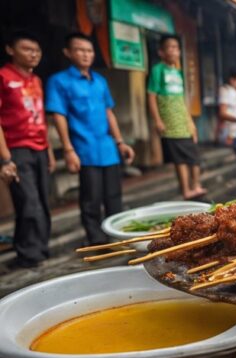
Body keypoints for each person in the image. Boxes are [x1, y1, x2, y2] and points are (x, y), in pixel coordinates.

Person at [47, 33, 135, 245]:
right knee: (91, 200)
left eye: (89, 50)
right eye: (80, 50)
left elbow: (108, 113)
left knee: (114, 198)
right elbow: (58, 116)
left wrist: (120, 142)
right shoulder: (59, 81)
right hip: (83, 150)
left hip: (108, 148)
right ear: (68, 53)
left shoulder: (100, 81)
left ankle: (117, 239)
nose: (86, 55)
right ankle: (96, 241)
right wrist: (68, 150)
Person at [0, 31, 54, 268]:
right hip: (16, 149)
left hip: (40, 148)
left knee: (41, 201)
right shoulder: (3, 76)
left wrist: (49, 151)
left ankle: (36, 249)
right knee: (29, 202)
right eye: (27, 49)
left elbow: (41, 118)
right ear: (10, 50)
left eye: (37, 50)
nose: (34, 54)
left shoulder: (36, 80)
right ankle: (31, 255)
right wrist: (5, 160)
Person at [148, 34, 204, 200]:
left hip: (183, 120)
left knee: (194, 155)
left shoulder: (178, 73)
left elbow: (181, 100)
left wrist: (191, 123)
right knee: (180, 159)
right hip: (170, 122)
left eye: (176, 48)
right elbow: (151, 96)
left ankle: (196, 185)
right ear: (161, 52)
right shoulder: (157, 70)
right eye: (169, 47)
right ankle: (186, 190)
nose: (173, 51)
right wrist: (157, 120)